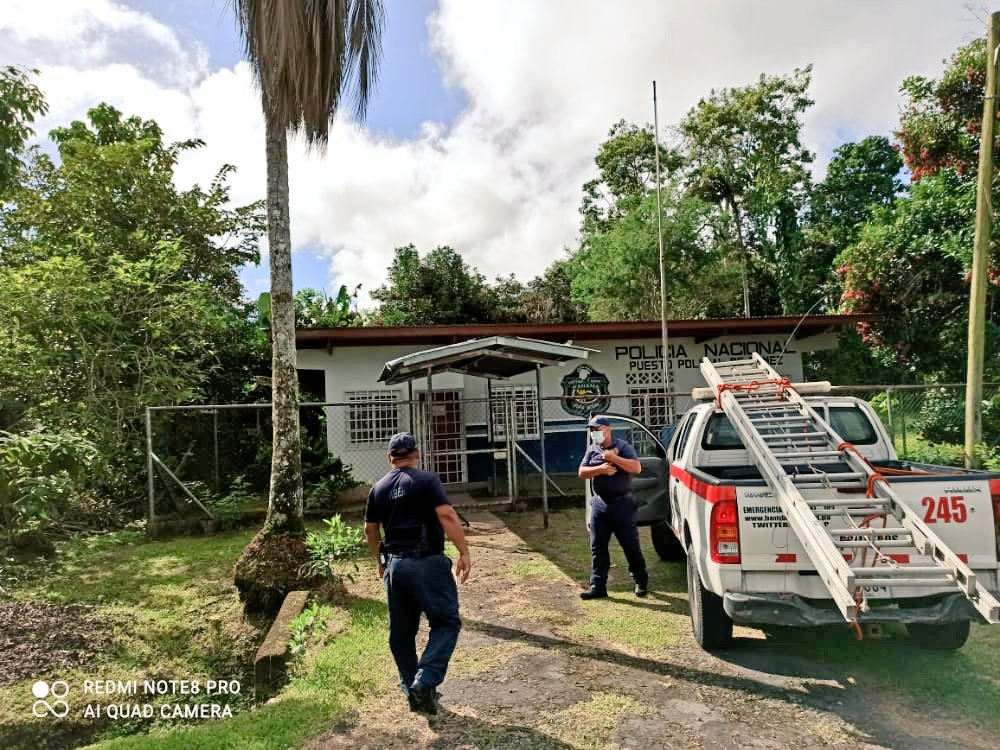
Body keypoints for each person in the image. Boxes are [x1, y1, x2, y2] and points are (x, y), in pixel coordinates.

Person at [364, 432, 472, 716]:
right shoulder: (426, 480)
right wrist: (464, 551)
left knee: (401, 632)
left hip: (395, 567)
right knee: (446, 622)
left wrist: (380, 560)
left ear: (390, 458)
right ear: (416, 454)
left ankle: (413, 688)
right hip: (427, 562)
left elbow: (370, 530)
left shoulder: (378, 488)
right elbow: (447, 515)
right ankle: (424, 681)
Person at [578, 416, 648, 600]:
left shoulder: (623, 446)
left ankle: (640, 581)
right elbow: (581, 471)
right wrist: (600, 469)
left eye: (597, 429)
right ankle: (598, 585)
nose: (594, 433)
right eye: (592, 430)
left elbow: (637, 468)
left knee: (630, 545)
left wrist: (613, 458)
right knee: (597, 546)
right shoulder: (592, 449)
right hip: (600, 505)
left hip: (621, 504)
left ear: (608, 429)